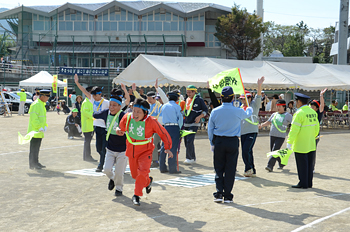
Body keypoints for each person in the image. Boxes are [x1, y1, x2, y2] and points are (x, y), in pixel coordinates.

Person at [116, 98, 173, 206]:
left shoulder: (152, 121)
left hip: (146, 151)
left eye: (139, 112)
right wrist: (118, 130)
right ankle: (148, 182)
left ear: (145, 113)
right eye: (134, 111)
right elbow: (121, 127)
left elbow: (163, 133)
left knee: (142, 172)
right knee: (135, 175)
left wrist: (168, 147)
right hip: (132, 150)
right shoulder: (127, 117)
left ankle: (136, 195)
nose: (135, 114)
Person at [208, 86, 253, 203]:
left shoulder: (215, 111)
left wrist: (211, 141)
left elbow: (210, 128)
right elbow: (248, 114)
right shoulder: (238, 111)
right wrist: (249, 109)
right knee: (230, 169)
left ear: (221, 98)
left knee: (218, 168)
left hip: (218, 141)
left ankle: (218, 193)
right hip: (232, 141)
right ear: (233, 98)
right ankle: (227, 195)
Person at [93, 95, 128, 197]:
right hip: (110, 148)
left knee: (119, 172)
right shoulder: (105, 113)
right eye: (110, 105)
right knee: (106, 169)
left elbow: (130, 126)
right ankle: (112, 179)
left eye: (114, 105)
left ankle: (119, 189)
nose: (111, 107)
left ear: (120, 106)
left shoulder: (123, 116)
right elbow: (95, 114)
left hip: (123, 149)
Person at [75, 74, 109, 172]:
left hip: (105, 128)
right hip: (96, 127)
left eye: (95, 95)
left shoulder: (106, 102)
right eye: (92, 95)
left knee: (103, 148)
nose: (93, 97)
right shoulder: (92, 100)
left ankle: (101, 165)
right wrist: (77, 82)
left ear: (100, 94)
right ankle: (106, 159)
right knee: (98, 148)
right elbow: (84, 91)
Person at [287, 93, 320, 189]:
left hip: (300, 144)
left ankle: (303, 183)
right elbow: (317, 128)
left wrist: (289, 142)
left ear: (299, 101)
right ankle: (309, 183)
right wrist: (312, 137)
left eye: (296, 102)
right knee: (309, 164)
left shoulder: (299, 113)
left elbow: (294, 130)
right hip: (311, 143)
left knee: (302, 165)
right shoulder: (313, 112)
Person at [259, 99, 293, 172]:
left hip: (281, 136)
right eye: (277, 106)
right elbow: (268, 122)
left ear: (284, 107)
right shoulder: (274, 114)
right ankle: (281, 163)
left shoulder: (288, 115)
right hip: (272, 135)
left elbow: (293, 124)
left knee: (274, 151)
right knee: (273, 151)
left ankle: (270, 166)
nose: (278, 108)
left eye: (280, 106)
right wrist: (261, 125)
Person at [240, 76, 265, 177]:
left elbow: (258, 96)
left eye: (245, 99)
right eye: (242, 99)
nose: (243, 101)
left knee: (246, 150)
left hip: (252, 131)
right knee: (246, 151)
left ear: (250, 98)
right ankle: (252, 170)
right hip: (243, 132)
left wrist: (259, 85)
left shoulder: (254, 105)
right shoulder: (241, 107)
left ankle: (248, 169)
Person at [159, 91, 183, 174]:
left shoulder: (164, 106)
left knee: (164, 147)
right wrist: (179, 129)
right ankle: (172, 169)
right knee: (173, 147)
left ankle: (162, 167)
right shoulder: (177, 107)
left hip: (165, 127)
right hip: (174, 127)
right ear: (176, 98)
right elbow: (180, 119)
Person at [183, 85, 208, 164]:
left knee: (190, 140)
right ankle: (192, 158)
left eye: (190, 92)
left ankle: (189, 158)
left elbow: (205, 110)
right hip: (186, 123)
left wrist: (200, 117)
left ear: (194, 92)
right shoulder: (186, 99)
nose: (188, 94)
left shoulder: (199, 100)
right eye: (187, 92)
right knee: (186, 141)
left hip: (194, 123)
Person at [27, 89, 50, 169]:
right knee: (34, 148)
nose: (48, 98)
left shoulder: (41, 104)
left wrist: (45, 126)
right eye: (47, 96)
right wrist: (39, 127)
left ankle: (36, 162)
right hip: (35, 130)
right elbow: (34, 119)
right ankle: (32, 164)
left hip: (39, 131)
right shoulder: (36, 104)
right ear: (42, 96)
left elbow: (42, 118)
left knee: (37, 148)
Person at [309, 88, 327, 172]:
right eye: (310, 106)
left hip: (315, 136)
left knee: (312, 152)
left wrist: (321, 95)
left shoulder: (318, 114)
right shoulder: (307, 113)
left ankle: (312, 168)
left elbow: (322, 106)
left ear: (316, 108)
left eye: (313, 106)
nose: (311, 107)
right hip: (307, 135)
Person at [81, 86, 97, 162]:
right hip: (87, 126)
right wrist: (95, 115)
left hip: (90, 125)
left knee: (87, 142)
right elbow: (86, 113)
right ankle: (87, 156)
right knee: (87, 142)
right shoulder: (86, 102)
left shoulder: (90, 102)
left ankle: (86, 156)